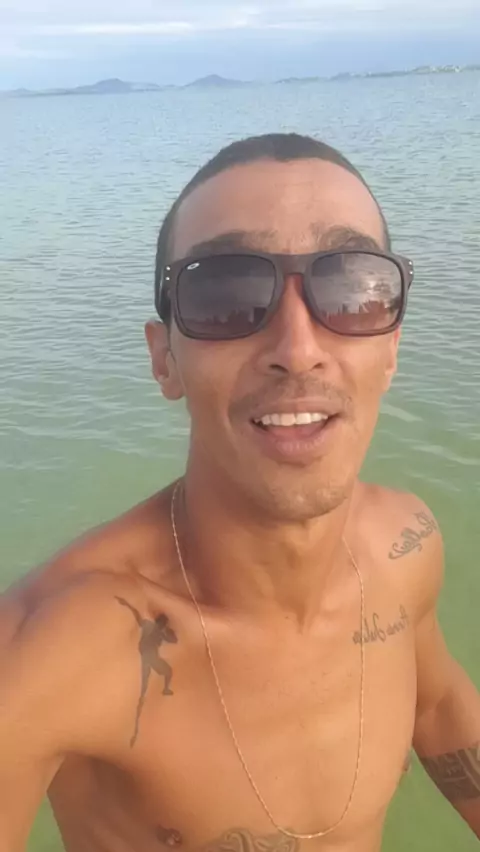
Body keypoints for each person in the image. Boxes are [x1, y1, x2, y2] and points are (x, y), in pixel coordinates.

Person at [1, 133, 479, 852]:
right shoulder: (47, 655)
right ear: (165, 360)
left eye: (351, 290)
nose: (298, 349)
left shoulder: (403, 548)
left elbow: (438, 710)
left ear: (391, 349)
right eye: (225, 298)